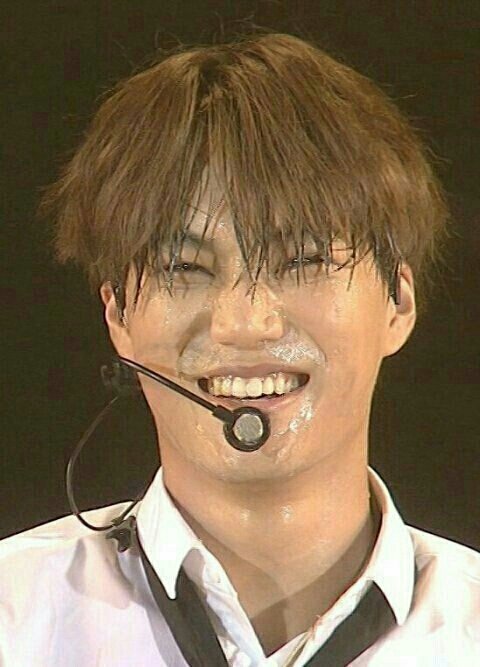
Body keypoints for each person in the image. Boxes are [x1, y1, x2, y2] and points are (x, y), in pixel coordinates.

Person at [1, 30, 478, 666]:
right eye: (184, 267)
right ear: (116, 313)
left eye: (303, 260)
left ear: (398, 300)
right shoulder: (14, 617)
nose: (245, 324)